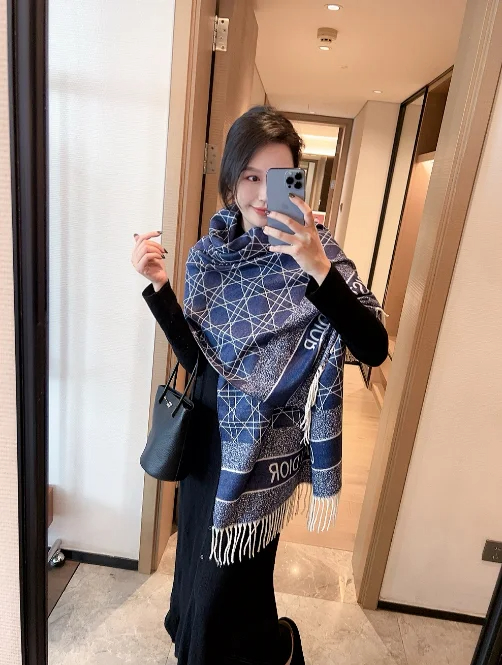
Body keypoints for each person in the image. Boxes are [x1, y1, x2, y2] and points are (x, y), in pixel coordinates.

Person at [132, 106, 388, 665]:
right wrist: (160, 289)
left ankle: (263, 649)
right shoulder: (209, 257)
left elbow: (373, 348)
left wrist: (318, 267)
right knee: (197, 570)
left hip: (262, 459)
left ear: (296, 181)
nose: (263, 196)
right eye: (250, 177)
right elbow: (198, 362)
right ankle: (255, 648)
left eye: (276, 179)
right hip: (208, 446)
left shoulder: (319, 252)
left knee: (232, 588)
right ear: (231, 181)